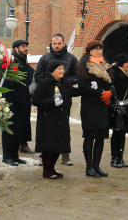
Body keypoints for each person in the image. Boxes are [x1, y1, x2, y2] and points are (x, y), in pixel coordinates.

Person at [34, 33, 79, 166]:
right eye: (54, 43)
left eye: (59, 43)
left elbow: (78, 76)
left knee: (63, 126)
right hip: (47, 97)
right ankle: (44, 155)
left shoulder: (71, 59)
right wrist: (49, 82)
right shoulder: (45, 58)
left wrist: (65, 81)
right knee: (45, 128)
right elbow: (38, 75)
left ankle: (65, 154)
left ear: (64, 44)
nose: (57, 46)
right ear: (51, 44)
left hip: (65, 97)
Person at [76, 40, 113, 178]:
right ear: (89, 51)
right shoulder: (84, 66)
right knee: (90, 137)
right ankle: (89, 167)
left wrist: (110, 93)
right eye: (96, 49)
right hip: (90, 107)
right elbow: (81, 86)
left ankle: (97, 166)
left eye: (100, 48)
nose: (99, 51)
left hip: (103, 107)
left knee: (101, 138)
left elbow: (112, 84)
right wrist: (100, 93)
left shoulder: (105, 66)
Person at [33, 62, 75, 179]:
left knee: (59, 145)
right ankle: (47, 170)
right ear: (52, 71)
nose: (62, 71)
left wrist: (86, 86)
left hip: (61, 119)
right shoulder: (44, 82)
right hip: (48, 120)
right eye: (59, 69)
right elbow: (35, 100)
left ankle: (52, 169)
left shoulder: (64, 82)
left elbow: (73, 92)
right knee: (48, 146)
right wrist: (52, 102)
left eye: (63, 69)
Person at [1, 39, 34, 166]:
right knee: (10, 130)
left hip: (23, 102)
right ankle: (7, 156)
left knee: (19, 130)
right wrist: (10, 100)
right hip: (11, 103)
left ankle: (15, 156)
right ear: (16, 49)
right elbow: (8, 84)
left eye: (26, 46)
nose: (26, 48)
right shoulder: (12, 62)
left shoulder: (23, 62)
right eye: (23, 46)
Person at [108, 54, 128, 168]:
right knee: (117, 132)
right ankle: (114, 158)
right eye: (126, 62)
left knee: (123, 132)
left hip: (127, 107)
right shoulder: (114, 73)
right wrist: (115, 104)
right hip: (116, 106)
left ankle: (121, 158)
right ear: (121, 63)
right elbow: (112, 90)